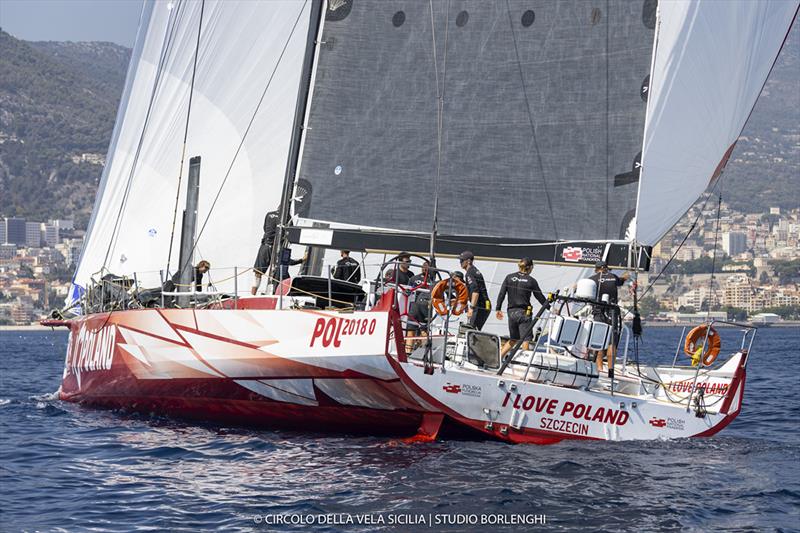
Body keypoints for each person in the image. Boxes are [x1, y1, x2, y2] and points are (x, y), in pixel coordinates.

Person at [495, 258, 547, 357]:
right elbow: (540, 297)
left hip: (511, 313)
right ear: (530, 267)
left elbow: (502, 294)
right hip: (524, 314)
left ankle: (498, 359)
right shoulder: (531, 281)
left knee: (513, 339)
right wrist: (550, 308)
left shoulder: (509, 277)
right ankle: (524, 364)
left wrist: (498, 309)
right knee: (525, 339)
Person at [589, 260, 630, 376]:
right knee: (612, 343)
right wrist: (626, 276)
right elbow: (621, 281)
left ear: (597, 269)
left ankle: (599, 369)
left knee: (599, 342)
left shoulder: (592, 279)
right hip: (612, 312)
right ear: (606, 268)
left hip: (598, 312)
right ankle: (610, 371)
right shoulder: (613, 277)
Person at [460, 250, 490, 330]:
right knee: (474, 329)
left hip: (480, 305)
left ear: (469, 261)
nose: (460, 262)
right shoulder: (475, 270)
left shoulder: (470, 273)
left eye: (462, 260)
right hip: (484, 304)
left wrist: (471, 308)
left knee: (471, 330)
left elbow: (475, 292)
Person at [252, 210, 279, 295]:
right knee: (277, 271)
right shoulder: (286, 216)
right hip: (275, 247)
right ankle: (273, 292)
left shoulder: (269, 214)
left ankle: (253, 294)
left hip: (265, 245)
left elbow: (264, 228)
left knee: (258, 272)